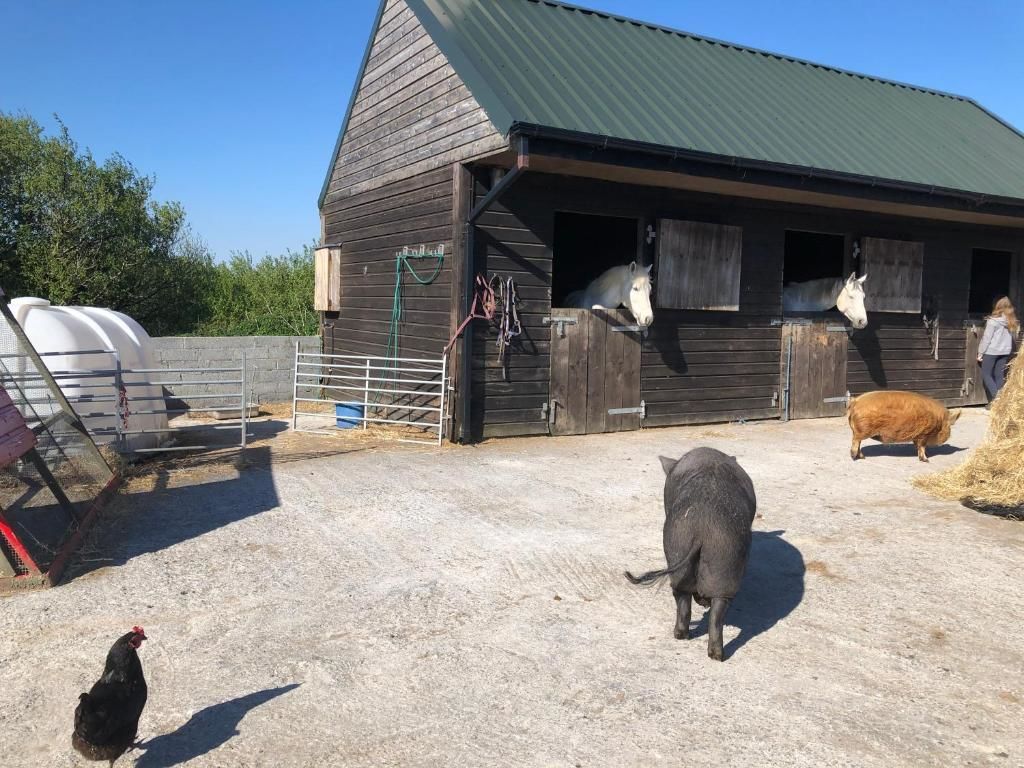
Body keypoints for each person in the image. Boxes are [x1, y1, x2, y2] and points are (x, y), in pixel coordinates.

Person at [977, 295, 1019, 403]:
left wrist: (980, 352)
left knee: (986, 374)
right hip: (1005, 351)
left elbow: (987, 339)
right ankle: (999, 404)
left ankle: (997, 399)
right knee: (999, 376)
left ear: (997, 306)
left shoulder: (992, 321)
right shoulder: (1011, 321)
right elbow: (1013, 338)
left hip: (992, 351)